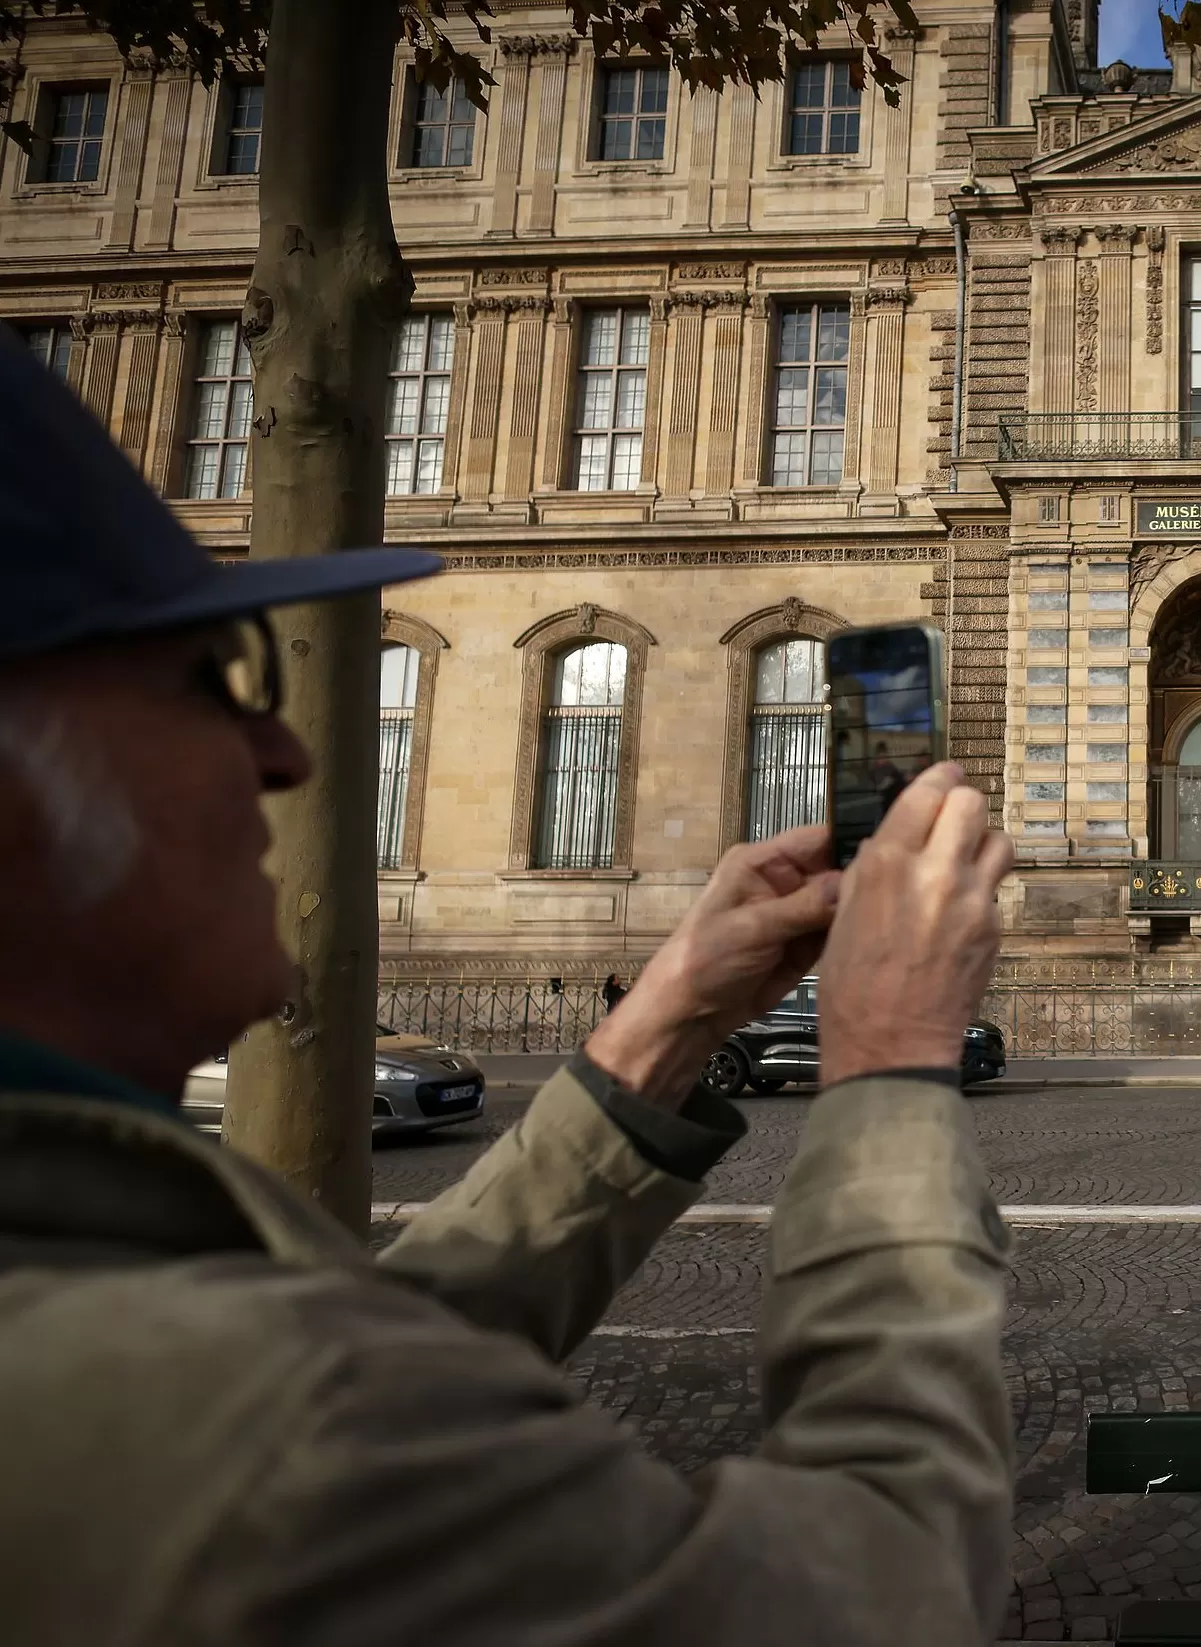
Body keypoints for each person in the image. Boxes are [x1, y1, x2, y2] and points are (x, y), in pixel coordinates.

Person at [0, 330, 1017, 1647]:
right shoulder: (260, 1435)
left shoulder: (129, 1324)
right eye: (216, 676)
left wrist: (664, 1027)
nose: (287, 747)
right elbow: (883, 1594)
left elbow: (364, 1352)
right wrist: (885, 1069)